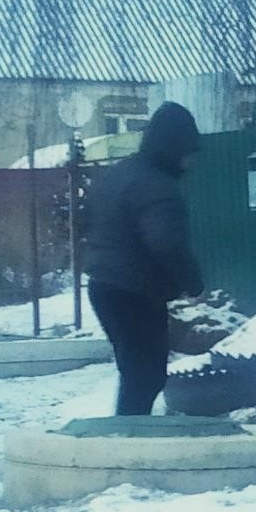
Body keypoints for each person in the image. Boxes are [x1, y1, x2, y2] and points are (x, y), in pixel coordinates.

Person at [84, 102, 205, 416]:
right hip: (133, 292)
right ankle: (129, 442)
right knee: (145, 375)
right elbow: (166, 243)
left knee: (137, 372)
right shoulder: (157, 186)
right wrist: (192, 281)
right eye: (187, 152)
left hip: (103, 285)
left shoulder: (118, 174)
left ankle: (128, 435)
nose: (190, 162)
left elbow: (90, 222)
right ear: (173, 147)